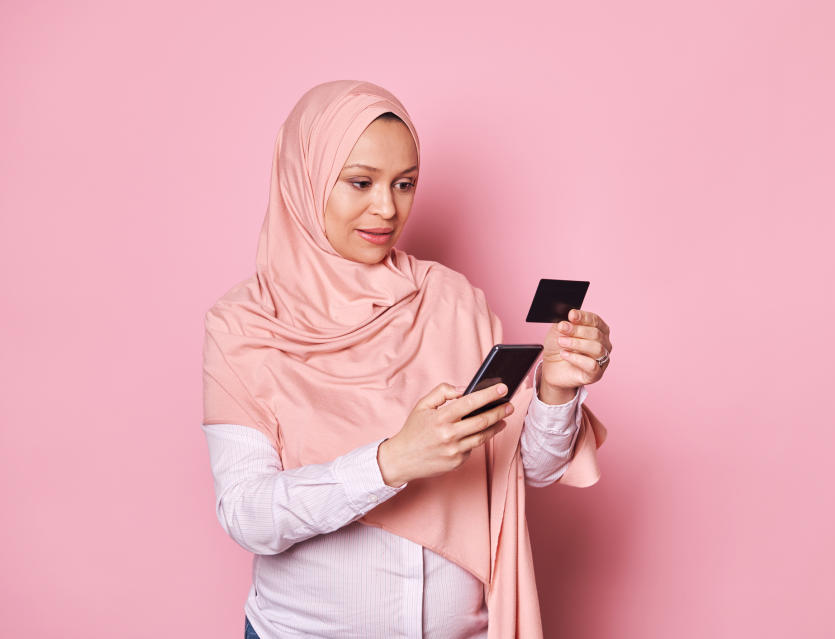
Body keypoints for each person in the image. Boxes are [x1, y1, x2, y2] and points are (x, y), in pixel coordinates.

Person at [201, 80, 612, 639]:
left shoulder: (451, 299)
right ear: (306, 177)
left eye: (405, 183)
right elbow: (247, 514)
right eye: (360, 182)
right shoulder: (244, 323)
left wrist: (554, 393)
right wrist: (392, 461)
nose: (387, 208)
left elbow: (525, 473)